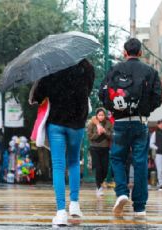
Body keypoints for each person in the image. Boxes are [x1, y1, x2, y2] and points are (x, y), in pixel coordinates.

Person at [99, 38, 162, 217]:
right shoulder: (150, 72)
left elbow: (102, 94)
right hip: (140, 121)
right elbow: (158, 97)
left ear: (124, 52)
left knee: (117, 158)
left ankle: (121, 193)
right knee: (140, 161)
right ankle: (140, 206)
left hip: (119, 123)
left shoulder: (115, 70)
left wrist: (114, 109)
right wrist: (145, 109)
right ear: (140, 53)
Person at [32, 59, 95, 226]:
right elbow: (87, 91)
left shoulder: (52, 69)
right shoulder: (87, 69)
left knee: (58, 165)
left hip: (56, 123)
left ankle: (61, 213)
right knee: (74, 162)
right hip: (77, 124)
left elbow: (37, 97)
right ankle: (74, 204)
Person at [87, 108, 113, 198]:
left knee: (105, 169)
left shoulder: (108, 123)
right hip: (95, 149)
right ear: (97, 116)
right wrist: (98, 133)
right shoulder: (91, 123)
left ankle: (100, 183)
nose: (101, 117)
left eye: (102, 115)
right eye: (99, 115)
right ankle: (98, 187)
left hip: (105, 149)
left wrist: (105, 132)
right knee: (98, 168)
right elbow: (89, 136)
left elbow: (112, 135)